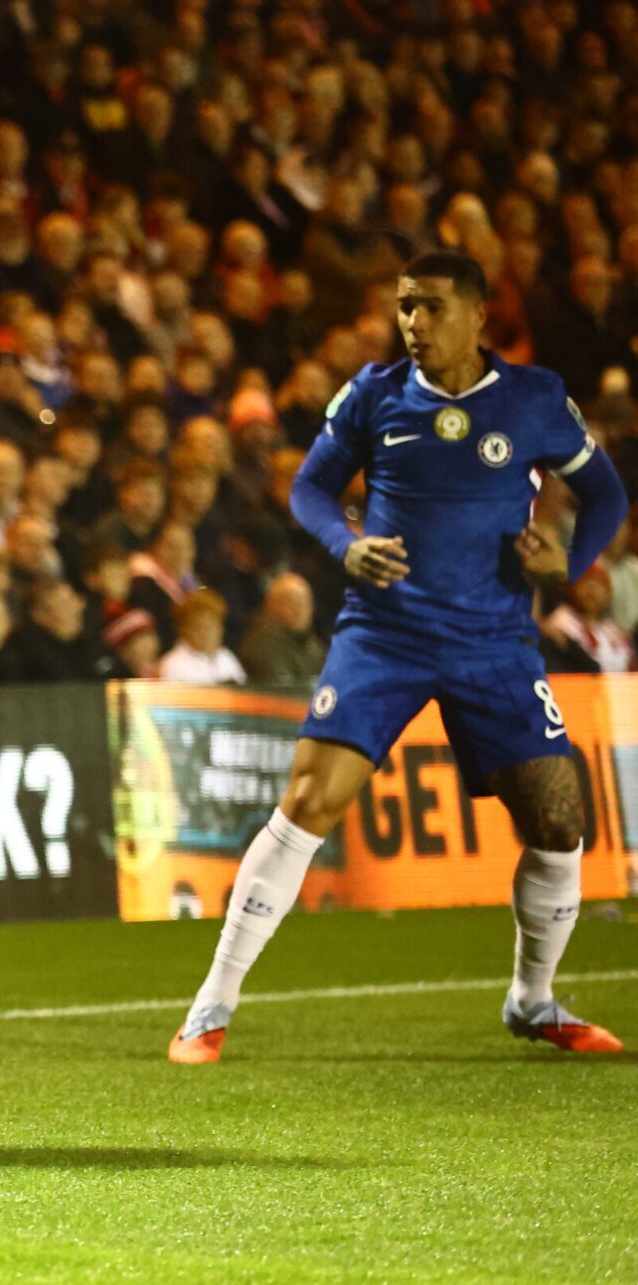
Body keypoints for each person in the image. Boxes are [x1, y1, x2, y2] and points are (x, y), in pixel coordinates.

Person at [168, 250, 632, 1066]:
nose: (414, 322)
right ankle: (212, 1004)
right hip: (384, 636)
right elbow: (310, 488)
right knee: (309, 798)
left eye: (432, 306)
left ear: (479, 315)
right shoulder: (374, 394)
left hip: (494, 642)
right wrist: (344, 545)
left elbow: (607, 493)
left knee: (560, 819)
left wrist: (571, 561)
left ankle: (533, 1000)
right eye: (405, 305)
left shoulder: (533, 398)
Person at [157, 587, 246, 684]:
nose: (208, 633)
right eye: (200, 627)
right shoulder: (172, 665)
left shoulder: (226, 657)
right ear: (185, 630)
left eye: (213, 625)